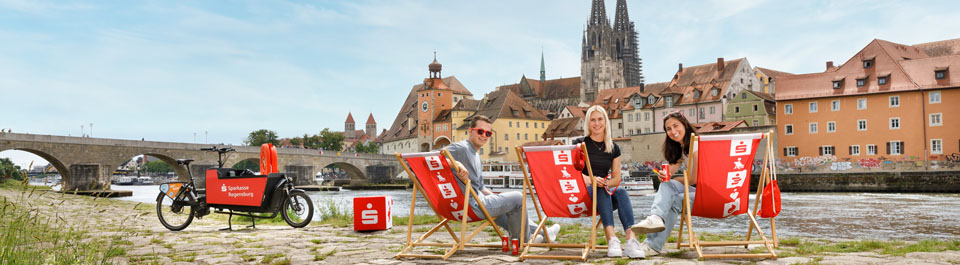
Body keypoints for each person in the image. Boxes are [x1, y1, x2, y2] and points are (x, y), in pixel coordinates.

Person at [445, 115, 560, 243]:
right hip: (471, 206)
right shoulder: (462, 148)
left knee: (508, 204)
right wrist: (457, 164)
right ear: (470, 131)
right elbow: (428, 159)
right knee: (517, 197)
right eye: (480, 131)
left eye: (488, 133)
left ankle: (543, 234)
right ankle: (524, 240)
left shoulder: (476, 156)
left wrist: (498, 200)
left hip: (460, 207)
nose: (484, 135)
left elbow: (481, 187)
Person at [572, 105, 643, 258]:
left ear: (605, 121)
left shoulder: (613, 148)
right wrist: (592, 180)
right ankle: (612, 239)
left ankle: (631, 240)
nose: (597, 123)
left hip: (603, 194)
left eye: (600, 119)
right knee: (600, 189)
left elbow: (616, 178)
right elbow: (571, 173)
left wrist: (604, 183)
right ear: (588, 123)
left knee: (622, 191)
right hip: (583, 192)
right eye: (593, 120)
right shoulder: (579, 144)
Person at [628, 110, 699, 258]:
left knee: (670, 187)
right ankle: (654, 234)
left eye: (676, 126)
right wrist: (664, 176)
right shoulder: (682, 149)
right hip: (702, 194)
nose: (673, 131)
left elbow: (694, 179)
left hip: (707, 196)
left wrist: (671, 180)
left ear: (685, 124)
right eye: (668, 129)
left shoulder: (696, 144)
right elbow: (670, 174)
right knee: (670, 192)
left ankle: (655, 224)